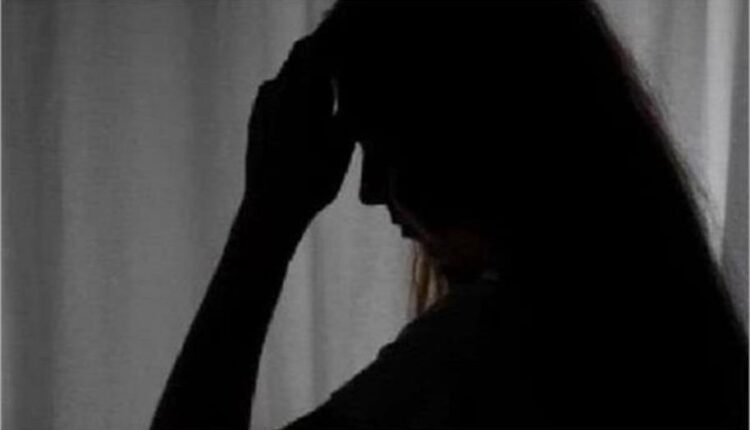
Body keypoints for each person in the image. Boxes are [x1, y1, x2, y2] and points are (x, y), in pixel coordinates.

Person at [150, 1, 748, 428]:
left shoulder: (488, 351)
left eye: (384, 146)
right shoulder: (662, 331)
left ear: (462, 133)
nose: (369, 193)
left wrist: (265, 223)